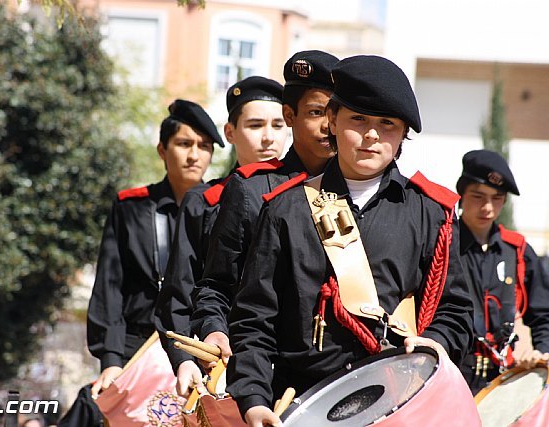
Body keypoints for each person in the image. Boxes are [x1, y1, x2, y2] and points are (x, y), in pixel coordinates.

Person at [226, 55, 474, 426]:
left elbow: (455, 310)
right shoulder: (285, 208)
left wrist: (434, 341)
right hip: (299, 403)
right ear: (333, 120)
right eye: (358, 119)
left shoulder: (430, 213)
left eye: (387, 124)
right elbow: (255, 318)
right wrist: (254, 399)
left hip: (397, 404)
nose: (372, 135)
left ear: (403, 133)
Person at [189, 50, 340, 368]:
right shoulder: (251, 188)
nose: (328, 126)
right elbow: (216, 283)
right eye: (315, 113)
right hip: (269, 367)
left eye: (335, 113)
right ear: (291, 115)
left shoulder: (359, 188)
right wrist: (213, 330)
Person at [154, 76, 288, 396]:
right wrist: (184, 358)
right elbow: (180, 290)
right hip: (220, 360)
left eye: (278, 125)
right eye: (255, 125)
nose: (268, 138)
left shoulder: (307, 195)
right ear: (230, 133)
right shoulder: (205, 200)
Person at [85, 99, 223, 400]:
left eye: (204, 146)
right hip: (137, 347)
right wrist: (110, 359)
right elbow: (110, 287)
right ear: (162, 150)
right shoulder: (131, 207)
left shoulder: (223, 207)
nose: (194, 155)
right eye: (184, 144)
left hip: (199, 349)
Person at [455, 149, 549, 394]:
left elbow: (542, 314)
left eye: (497, 198)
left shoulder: (517, 249)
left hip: (504, 379)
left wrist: (541, 350)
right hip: (453, 376)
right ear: (461, 194)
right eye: (478, 196)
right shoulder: (443, 242)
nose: (487, 207)